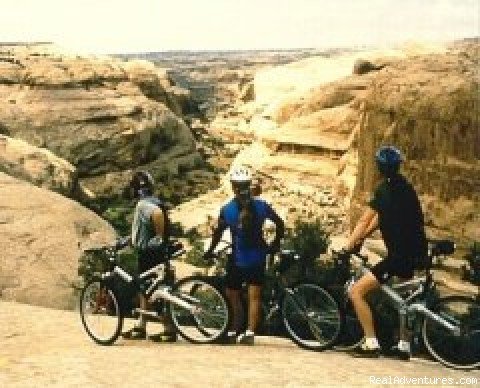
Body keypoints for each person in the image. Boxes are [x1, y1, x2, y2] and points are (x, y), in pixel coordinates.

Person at [343, 145, 427, 358]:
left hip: (397, 257)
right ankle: (404, 345)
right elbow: (383, 217)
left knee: (356, 292)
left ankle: (371, 343)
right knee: (403, 300)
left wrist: (348, 245)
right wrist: (365, 236)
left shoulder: (383, 190)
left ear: (380, 168)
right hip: (416, 251)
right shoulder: (406, 187)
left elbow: (364, 219)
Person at [204, 167, 285, 345]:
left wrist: (210, 250)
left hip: (238, 259)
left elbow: (218, 233)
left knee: (232, 294)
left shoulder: (227, 210)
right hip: (258, 257)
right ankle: (249, 332)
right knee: (254, 296)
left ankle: (233, 330)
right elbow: (279, 223)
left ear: (233, 187)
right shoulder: (262, 206)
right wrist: (275, 243)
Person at [122, 171, 176, 341]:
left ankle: (169, 330)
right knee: (144, 289)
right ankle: (141, 326)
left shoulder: (144, 205)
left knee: (155, 291)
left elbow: (157, 215)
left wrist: (158, 238)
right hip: (153, 252)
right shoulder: (153, 201)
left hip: (151, 254)